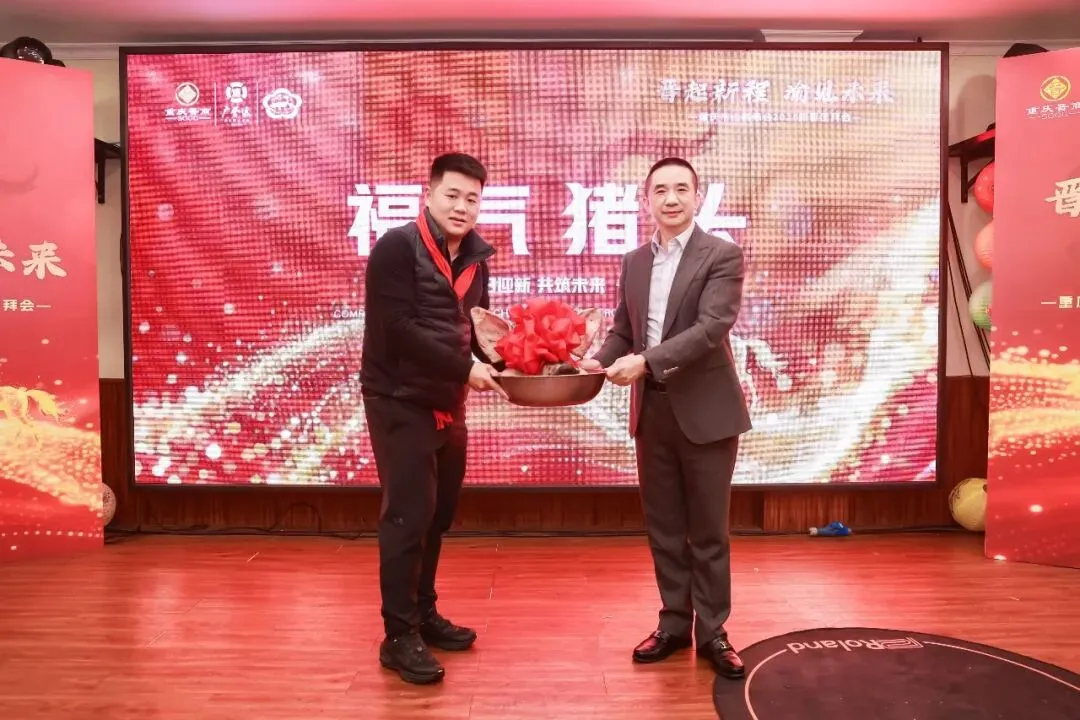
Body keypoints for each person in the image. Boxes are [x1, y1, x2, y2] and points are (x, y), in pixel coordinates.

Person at [581, 157, 752, 679]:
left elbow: (711, 327)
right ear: (646, 200)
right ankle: (674, 623)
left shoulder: (721, 254)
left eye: (681, 189)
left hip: (707, 412)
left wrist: (646, 362)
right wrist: (596, 362)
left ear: (698, 197)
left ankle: (714, 631)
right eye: (660, 190)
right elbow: (623, 330)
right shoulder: (634, 262)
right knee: (665, 527)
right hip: (651, 411)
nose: (671, 199)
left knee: (708, 531)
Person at [360, 152, 506, 685]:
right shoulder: (396, 248)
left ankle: (422, 614)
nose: (462, 206)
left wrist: (529, 364)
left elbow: (478, 334)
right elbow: (397, 327)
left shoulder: (476, 259)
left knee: (438, 515)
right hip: (398, 399)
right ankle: (398, 636)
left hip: (448, 401)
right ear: (429, 195)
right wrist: (465, 369)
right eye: (453, 195)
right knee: (407, 517)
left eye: (472, 198)